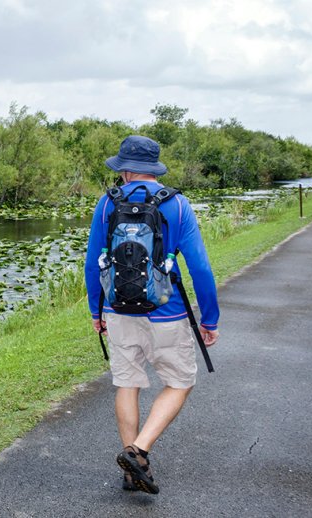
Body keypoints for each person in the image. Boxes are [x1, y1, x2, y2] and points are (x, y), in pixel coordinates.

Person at [83, 135, 220, 494]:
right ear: (153, 169)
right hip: (168, 313)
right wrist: (210, 319)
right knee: (179, 382)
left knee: (127, 384)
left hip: (118, 311)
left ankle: (133, 467)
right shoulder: (177, 205)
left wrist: (96, 310)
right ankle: (139, 451)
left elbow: (91, 264)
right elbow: (201, 268)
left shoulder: (105, 204)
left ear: (125, 170)